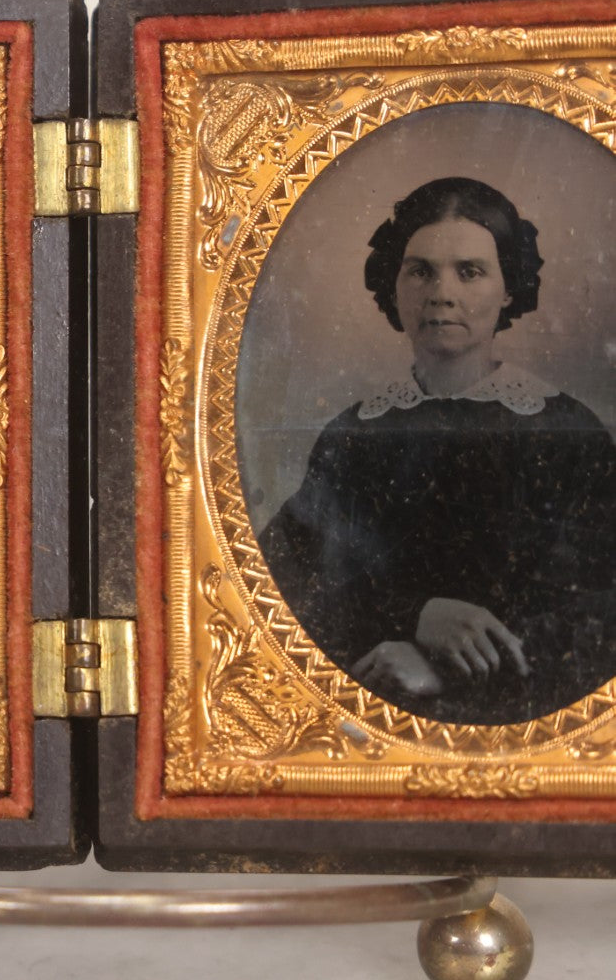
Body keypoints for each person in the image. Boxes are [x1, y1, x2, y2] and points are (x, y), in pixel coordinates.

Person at [258, 177, 616, 725]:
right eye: (420, 270)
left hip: (524, 721)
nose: (440, 293)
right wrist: (414, 617)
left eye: (469, 271)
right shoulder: (353, 433)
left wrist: (443, 668)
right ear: (393, 285)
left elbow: (598, 615)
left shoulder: (568, 432)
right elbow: (284, 585)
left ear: (509, 288)